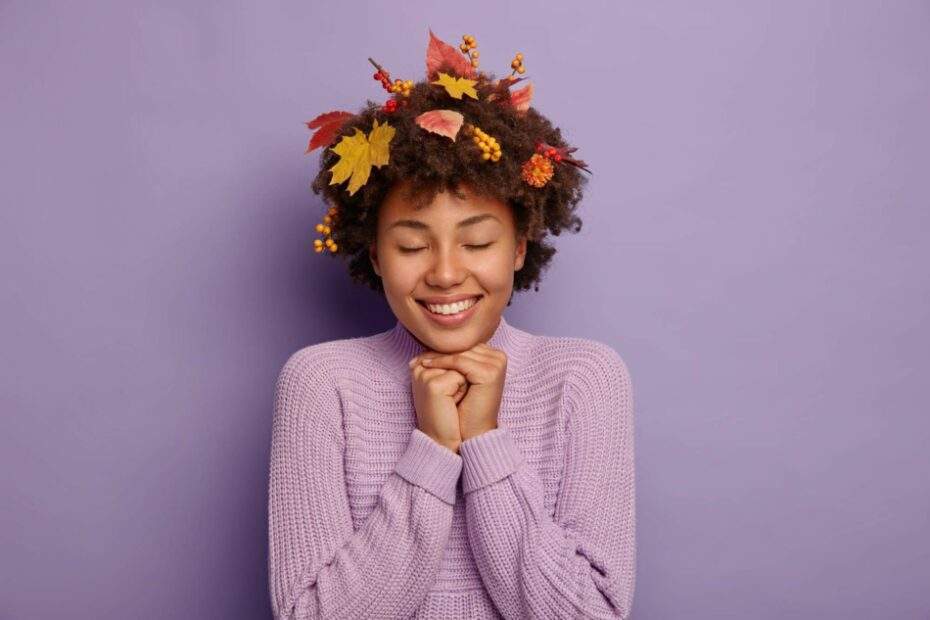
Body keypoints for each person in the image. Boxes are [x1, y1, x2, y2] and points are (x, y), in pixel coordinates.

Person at [268, 29, 635, 619]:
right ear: (373, 252)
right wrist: (434, 451)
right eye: (412, 245)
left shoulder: (586, 378)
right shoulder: (320, 383)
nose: (445, 274)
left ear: (519, 245)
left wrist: (485, 440)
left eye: (478, 242)